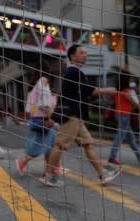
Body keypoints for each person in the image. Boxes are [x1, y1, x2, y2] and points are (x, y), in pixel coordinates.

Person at [41, 44, 121, 187]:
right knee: (60, 145)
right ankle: (48, 175)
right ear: (73, 56)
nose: (85, 55)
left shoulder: (75, 72)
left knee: (88, 144)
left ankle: (102, 175)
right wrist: (107, 90)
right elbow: (88, 91)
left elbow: (83, 92)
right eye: (82, 53)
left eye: (85, 53)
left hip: (76, 116)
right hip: (72, 116)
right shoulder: (73, 72)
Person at [15, 64, 59, 176]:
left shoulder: (33, 87)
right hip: (43, 119)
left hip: (36, 119)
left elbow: (31, 108)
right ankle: (23, 161)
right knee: (42, 146)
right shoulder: (43, 80)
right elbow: (45, 104)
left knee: (49, 146)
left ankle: (50, 169)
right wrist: (51, 119)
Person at [107, 72, 140, 165]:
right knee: (119, 137)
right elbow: (135, 104)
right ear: (126, 80)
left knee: (131, 137)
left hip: (119, 115)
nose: (130, 81)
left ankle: (139, 157)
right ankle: (112, 157)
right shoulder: (126, 92)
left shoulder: (117, 91)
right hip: (124, 116)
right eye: (129, 79)